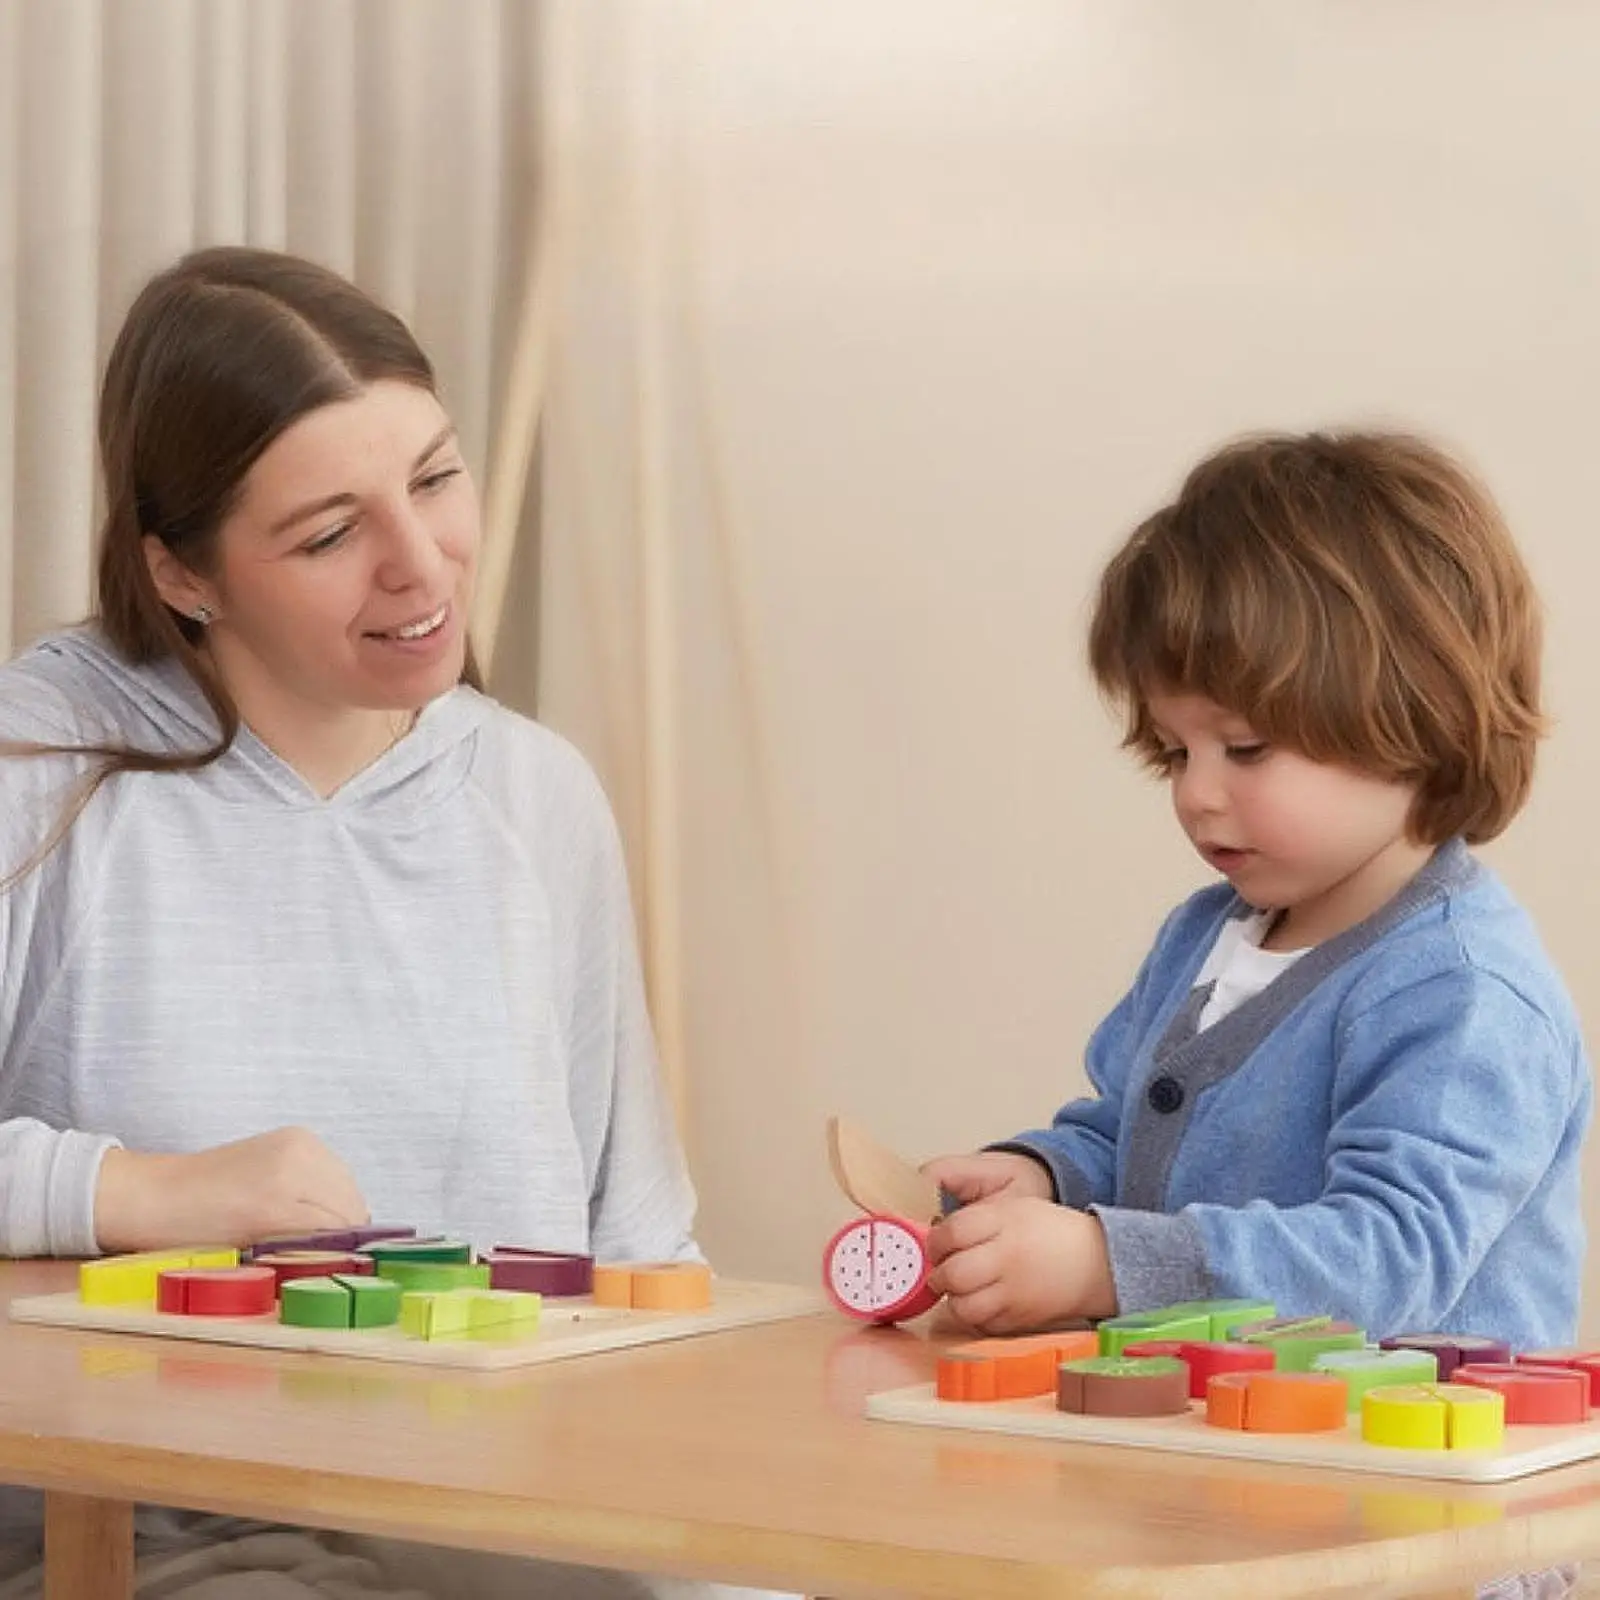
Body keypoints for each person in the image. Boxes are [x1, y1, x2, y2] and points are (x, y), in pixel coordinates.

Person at [0, 247, 771, 1600]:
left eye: (432, 478)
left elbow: (642, 1248)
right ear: (183, 573)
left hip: (517, 1522)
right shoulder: (41, 764)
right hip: (165, 1540)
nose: (423, 567)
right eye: (329, 532)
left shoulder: (537, 797)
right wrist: (146, 1192)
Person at [923, 430, 1591, 1355]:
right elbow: (1127, 1140)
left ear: (1414, 715)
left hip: (1410, 1473)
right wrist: (1042, 1180)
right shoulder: (1207, 934)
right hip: (1233, 1452)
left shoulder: (1463, 989)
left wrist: (1103, 1265)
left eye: (1245, 749)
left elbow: (1392, 1259)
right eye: (1174, 751)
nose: (1196, 793)